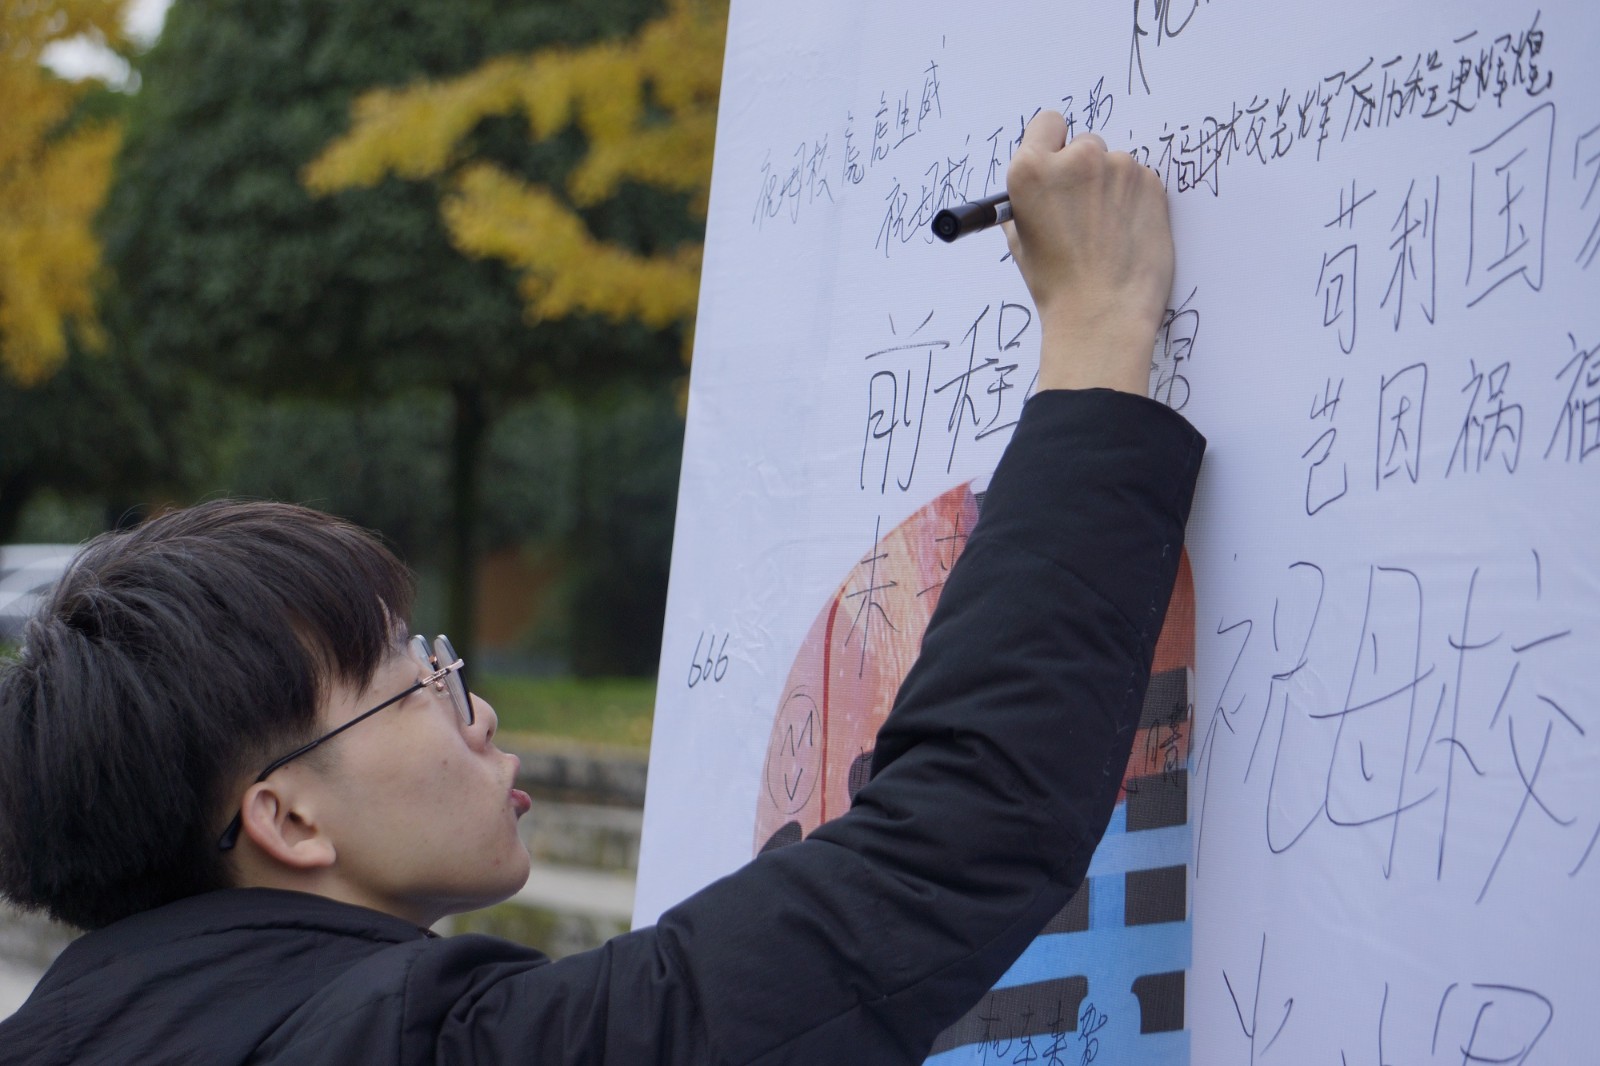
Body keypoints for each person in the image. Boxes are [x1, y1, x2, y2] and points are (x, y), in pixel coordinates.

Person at [0, 112, 1204, 1064]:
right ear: (288, 819)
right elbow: (941, 850)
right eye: (417, 683)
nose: (477, 712)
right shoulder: (431, 1042)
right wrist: (1097, 333)